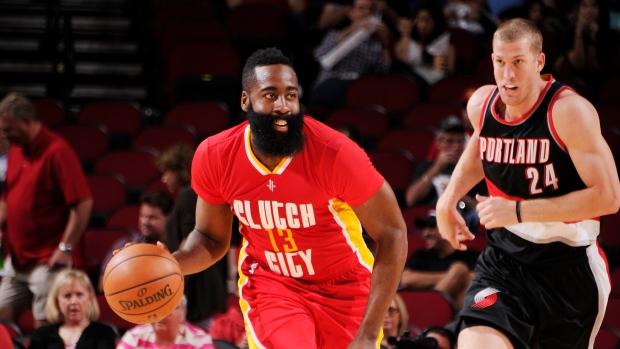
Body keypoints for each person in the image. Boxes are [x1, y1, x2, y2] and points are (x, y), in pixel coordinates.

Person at [172, 47, 407, 348]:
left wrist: (367, 333)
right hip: (273, 283)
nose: (283, 106)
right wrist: (169, 263)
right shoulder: (215, 156)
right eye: (270, 95)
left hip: (345, 285)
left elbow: (394, 234)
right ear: (246, 101)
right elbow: (209, 238)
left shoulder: (335, 154)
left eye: (291, 95)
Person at [436, 18, 620, 349]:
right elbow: (482, 145)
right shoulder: (482, 104)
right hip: (504, 262)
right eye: (499, 62)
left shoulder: (568, 112)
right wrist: (448, 197)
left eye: (518, 62)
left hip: (568, 266)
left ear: (539, 62)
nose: (507, 75)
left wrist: (519, 211)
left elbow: (608, 197)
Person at [0, 93, 93, 327]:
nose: (4, 135)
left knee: (46, 328)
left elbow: (83, 202)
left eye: (8, 129)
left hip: (48, 260)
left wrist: (65, 247)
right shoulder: (16, 151)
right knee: (2, 318)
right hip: (18, 260)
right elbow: (8, 198)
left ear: (27, 121)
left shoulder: (57, 151)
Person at [155, 144, 229, 326]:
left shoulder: (188, 195)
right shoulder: (193, 194)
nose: (164, 179)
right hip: (200, 278)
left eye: (167, 172)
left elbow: (190, 237)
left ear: (179, 170)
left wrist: (171, 273)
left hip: (197, 285)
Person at [310, 0, 392, 108]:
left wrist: (385, 45)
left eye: (370, 9)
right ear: (351, 13)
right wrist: (352, 30)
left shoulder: (374, 44)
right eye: (361, 8)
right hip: (331, 83)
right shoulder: (334, 35)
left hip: (357, 87)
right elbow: (319, 56)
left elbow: (384, 71)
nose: (366, 12)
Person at [400, 210, 479, 310]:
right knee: (460, 270)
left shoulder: (472, 256)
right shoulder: (421, 255)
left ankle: (429, 309)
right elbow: (406, 280)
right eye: (425, 228)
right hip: (421, 309)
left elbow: (476, 281)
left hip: (456, 313)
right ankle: (429, 309)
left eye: (432, 227)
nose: (426, 233)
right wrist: (455, 276)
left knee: (460, 269)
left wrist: (458, 274)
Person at [98, 190, 173, 292]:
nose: (145, 222)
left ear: (169, 219)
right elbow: (103, 285)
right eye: (142, 216)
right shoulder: (123, 245)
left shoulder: (178, 247)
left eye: (152, 217)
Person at [29, 269, 116, 349]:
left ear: (90, 299)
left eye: (79, 294)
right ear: (56, 301)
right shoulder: (41, 335)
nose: (73, 301)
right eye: (67, 295)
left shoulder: (104, 332)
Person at [395, 1, 456, 91]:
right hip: (411, 87)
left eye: (427, 20)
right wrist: (405, 35)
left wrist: (446, 66)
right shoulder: (406, 41)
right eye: (419, 20)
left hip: (434, 88)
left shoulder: (447, 46)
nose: (422, 25)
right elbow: (402, 64)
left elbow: (450, 74)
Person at [117, 295, 215, 349]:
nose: (159, 314)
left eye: (167, 308)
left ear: (183, 312)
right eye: (155, 308)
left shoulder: (199, 341)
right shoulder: (134, 337)